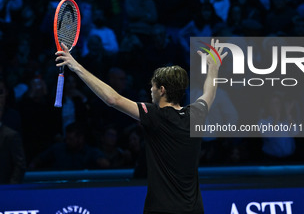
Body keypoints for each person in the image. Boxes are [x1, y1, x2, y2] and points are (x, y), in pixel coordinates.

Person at [55, 40, 228, 213]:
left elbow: (112, 99)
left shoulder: (154, 115)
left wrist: (75, 65)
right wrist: (214, 67)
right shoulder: (196, 114)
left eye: (152, 86)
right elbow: (209, 92)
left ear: (161, 90)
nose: (150, 90)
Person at [0, 76, 26, 184]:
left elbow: (19, 163)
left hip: (5, 184)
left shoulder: (13, 117)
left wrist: (11, 188)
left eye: (0, 92)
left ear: (6, 93)